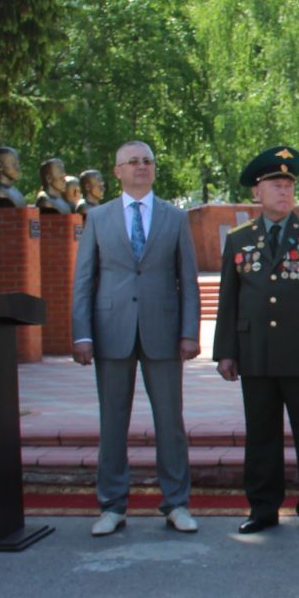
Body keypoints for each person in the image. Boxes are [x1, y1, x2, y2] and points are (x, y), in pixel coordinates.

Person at [71, 140, 201, 536]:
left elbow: (188, 281)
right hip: (111, 332)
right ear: (117, 172)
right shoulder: (99, 218)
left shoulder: (175, 218)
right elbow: (85, 279)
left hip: (163, 331)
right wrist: (81, 334)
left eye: (147, 161)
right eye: (133, 162)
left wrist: (189, 331)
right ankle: (112, 505)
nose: (141, 167)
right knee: (113, 422)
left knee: (170, 422)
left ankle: (176, 503)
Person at [214, 146, 299, 534]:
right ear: (257, 193)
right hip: (255, 351)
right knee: (261, 434)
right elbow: (228, 300)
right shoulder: (239, 239)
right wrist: (225, 353)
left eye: (288, 185)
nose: (283, 192)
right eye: (275, 185)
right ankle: (263, 508)